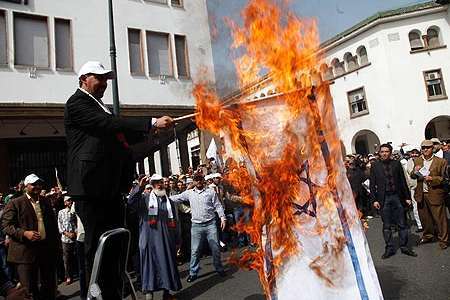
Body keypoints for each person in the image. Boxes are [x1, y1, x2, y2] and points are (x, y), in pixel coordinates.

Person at [64, 61, 173, 298]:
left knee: (115, 244)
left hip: (111, 188)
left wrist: (153, 134)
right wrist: (151, 122)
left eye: (106, 79)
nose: (104, 83)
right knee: (97, 245)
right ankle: (96, 291)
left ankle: (112, 289)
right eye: (99, 78)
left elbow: (122, 140)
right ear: (84, 78)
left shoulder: (101, 106)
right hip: (90, 187)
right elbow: (107, 125)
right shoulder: (77, 104)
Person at [1, 174, 59, 299]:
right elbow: (6, 226)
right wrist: (24, 233)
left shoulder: (45, 201)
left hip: (45, 251)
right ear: (26, 186)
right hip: (25, 254)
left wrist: (56, 247)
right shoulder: (15, 203)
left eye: (39, 183)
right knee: (28, 291)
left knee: (48, 287)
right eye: (34, 184)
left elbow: (53, 226)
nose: (37, 186)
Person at [128, 174, 181, 300]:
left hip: (165, 242)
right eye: (156, 182)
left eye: (161, 182)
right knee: (149, 269)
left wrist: (178, 240)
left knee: (166, 266)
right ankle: (149, 295)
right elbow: (131, 203)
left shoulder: (170, 202)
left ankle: (166, 293)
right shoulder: (145, 199)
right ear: (152, 185)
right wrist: (139, 188)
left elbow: (175, 223)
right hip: (149, 242)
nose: (159, 184)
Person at [169, 173, 226, 282]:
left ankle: (219, 268)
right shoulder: (189, 193)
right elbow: (176, 198)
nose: (198, 181)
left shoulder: (210, 192)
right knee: (195, 250)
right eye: (196, 179)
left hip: (210, 224)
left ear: (203, 180)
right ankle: (193, 272)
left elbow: (218, 206)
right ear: (194, 181)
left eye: (200, 179)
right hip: (196, 226)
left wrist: (223, 218)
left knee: (215, 248)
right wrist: (162, 196)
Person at [369, 144, 417, 259]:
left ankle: (404, 246)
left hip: (397, 197)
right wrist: (374, 199)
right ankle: (389, 248)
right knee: (386, 225)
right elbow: (372, 184)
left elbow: (402, 181)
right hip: (384, 198)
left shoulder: (396, 164)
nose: (384, 153)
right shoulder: (375, 166)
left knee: (402, 223)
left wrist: (407, 197)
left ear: (390, 153)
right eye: (382, 152)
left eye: (386, 151)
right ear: (379, 153)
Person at [411, 140, 448, 249]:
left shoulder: (441, 161)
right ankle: (428, 236)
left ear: (433, 148)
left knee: (440, 219)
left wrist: (433, 179)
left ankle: (444, 239)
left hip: (435, 193)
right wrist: (414, 171)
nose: (425, 150)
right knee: (425, 218)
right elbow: (413, 176)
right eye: (423, 148)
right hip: (421, 194)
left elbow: (444, 178)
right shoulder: (417, 160)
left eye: (428, 147)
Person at [57, 196, 77, 285]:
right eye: (68, 200)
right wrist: (66, 233)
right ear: (65, 202)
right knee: (67, 259)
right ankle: (68, 276)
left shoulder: (76, 211)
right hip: (65, 239)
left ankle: (76, 273)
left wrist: (75, 233)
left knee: (76, 257)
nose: (70, 202)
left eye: (71, 200)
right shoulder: (61, 212)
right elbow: (59, 225)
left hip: (76, 237)